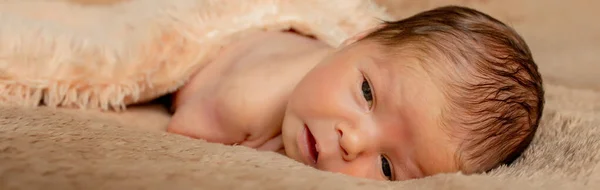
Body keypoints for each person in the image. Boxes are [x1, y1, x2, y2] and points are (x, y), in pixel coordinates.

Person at [165, 5, 545, 181]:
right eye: (366, 94)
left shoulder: (346, 76)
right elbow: (181, 131)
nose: (354, 141)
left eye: (386, 167)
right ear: (354, 41)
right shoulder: (244, 103)